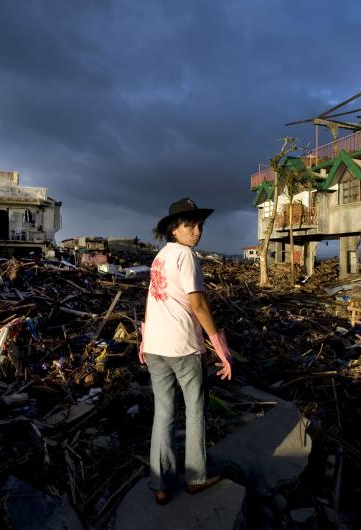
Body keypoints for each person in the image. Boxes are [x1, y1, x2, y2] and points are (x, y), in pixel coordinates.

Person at [139, 197, 233, 505]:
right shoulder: (186, 256)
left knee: (163, 413)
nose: (197, 231)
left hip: (155, 347)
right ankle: (195, 477)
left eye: (199, 225)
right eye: (189, 225)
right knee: (195, 411)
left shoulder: (159, 258)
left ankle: (161, 484)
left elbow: (155, 299)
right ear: (173, 230)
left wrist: (144, 339)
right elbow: (198, 304)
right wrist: (219, 346)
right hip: (182, 347)